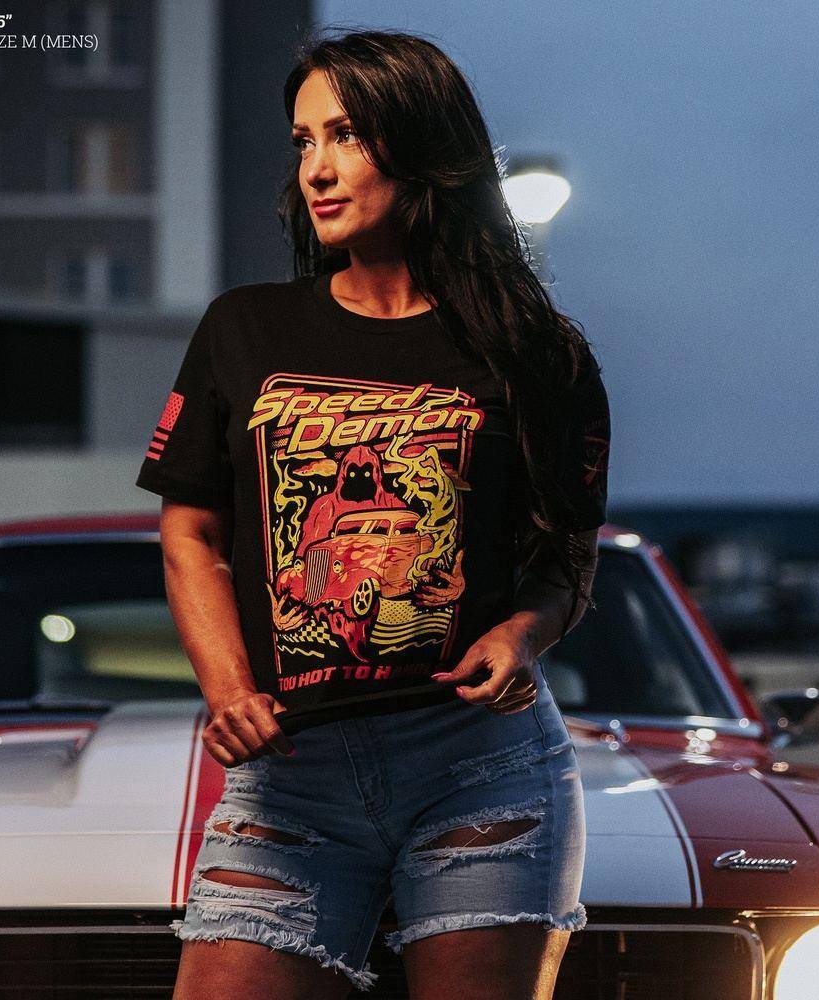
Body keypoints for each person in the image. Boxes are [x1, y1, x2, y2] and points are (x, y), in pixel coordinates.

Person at [135, 27, 610, 1000]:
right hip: (287, 780)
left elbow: (567, 550)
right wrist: (229, 688)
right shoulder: (245, 327)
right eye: (303, 141)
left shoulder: (533, 350)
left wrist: (521, 633)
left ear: (423, 144)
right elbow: (192, 532)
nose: (316, 168)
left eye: (344, 135)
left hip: (478, 767)